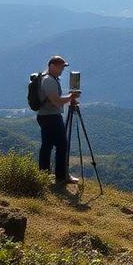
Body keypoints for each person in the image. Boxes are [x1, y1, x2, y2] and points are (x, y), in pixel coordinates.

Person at [37, 55, 79, 184]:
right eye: (61, 67)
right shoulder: (49, 80)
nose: (62, 70)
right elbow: (56, 101)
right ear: (52, 66)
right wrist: (71, 97)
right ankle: (61, 176)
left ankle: (43, 174)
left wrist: (68, 98)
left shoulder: (48, 78)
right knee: (62, 145)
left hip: (46, 116)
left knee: (47, 145)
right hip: (51, 117)